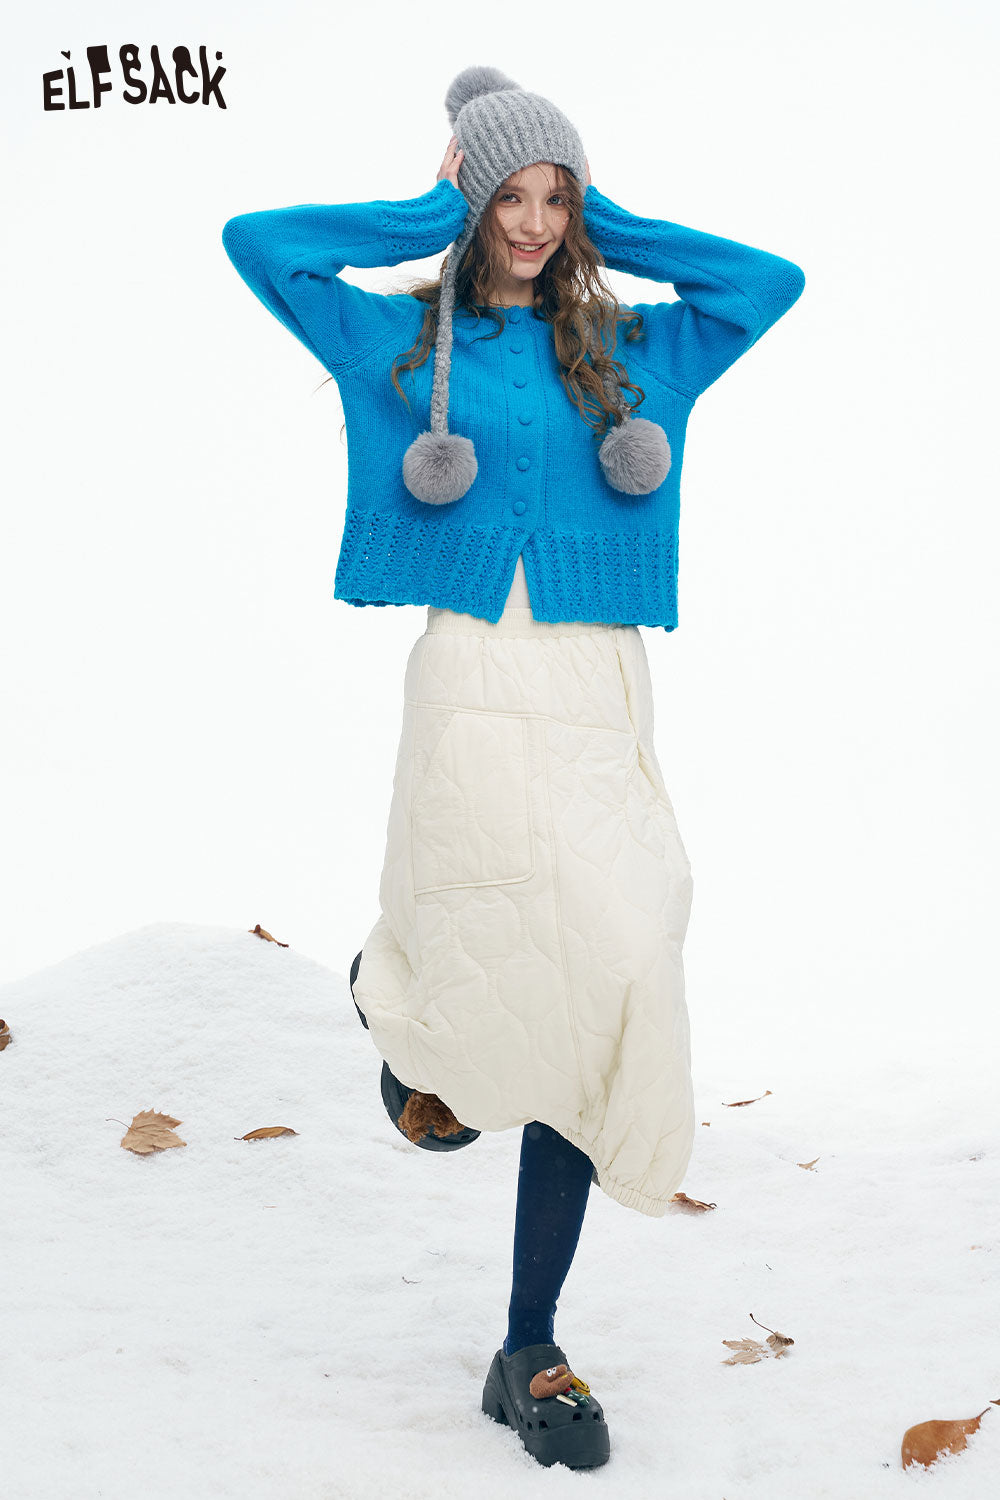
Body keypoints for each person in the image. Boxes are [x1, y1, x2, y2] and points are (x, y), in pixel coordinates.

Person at [221, 64, 805, 1471]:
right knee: (504, 944)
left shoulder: (632, 348)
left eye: (555, 196)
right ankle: (408, 1022)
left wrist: (613, 218)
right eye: (513, 194)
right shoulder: (406, 339)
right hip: (474, 679)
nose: (533, 220)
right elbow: (262, 241)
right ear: (471, 197)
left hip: (600, 684)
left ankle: (521, 1332)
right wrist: (435, 199)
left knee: (613, 963)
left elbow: (768, 280)